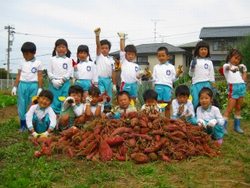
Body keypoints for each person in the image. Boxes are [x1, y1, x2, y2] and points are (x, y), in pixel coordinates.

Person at [11, 42, 43, 131]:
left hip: (33, 85)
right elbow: (18, 75)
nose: (25, 56)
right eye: (23, 54)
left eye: (27, 54)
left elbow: (40, 76)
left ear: (34, 53)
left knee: (33, 105)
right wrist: (15, 87)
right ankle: (22, 124)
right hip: (23, 85)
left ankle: (32, 124)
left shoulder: (38, 63)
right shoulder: (22, 62)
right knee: (22, 104)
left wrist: (40, 88)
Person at [152, 46, 183, 119]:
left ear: (168, 56)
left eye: (163, 55)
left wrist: (177, 75)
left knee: (167, 106)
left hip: (167, 88)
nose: (161, 58)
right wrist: (150, 77)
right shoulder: (156, 67)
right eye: (159, 56)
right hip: (158, 87)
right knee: (157, 106)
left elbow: (173, 79)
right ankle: (158, 120)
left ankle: (167, 121)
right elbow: (153, 79)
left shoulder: (171, 67)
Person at [222, 48, 247, 134]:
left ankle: (237, 126)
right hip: (233, 87)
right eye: (235, 58)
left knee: (238, 107)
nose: (237, 60)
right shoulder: (226, 66)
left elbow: (243, 80)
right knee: (230, 108)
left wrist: (245, 70)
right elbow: (227, 67)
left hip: (241, 87)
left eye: (239, 59)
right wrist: (232, 68)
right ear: (230, 57)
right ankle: (222, 126)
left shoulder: (238, 69)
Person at [189, 41, 219, 109]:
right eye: (201, 49)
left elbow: (211, 76)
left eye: (205, 49)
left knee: (206, 102)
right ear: (198, 50)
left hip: (206, 84)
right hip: (196, 84)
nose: (203, 51)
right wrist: (193, 66)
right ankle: (196, 117)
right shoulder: (194, 61)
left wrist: (214, 88)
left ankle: (206, 116)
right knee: (196, 101)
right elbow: (191, 74)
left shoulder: (209, 62)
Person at [48, 39, 73, 114]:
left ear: (66, 49)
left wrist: (62, 80)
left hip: (65, 83)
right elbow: (49, 71)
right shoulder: (51, 59)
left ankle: (62, 116)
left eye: (63, 47)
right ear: (55, 48)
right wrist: (53, 81)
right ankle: (53, 117)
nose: (61, 49)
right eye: (59, 47)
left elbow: (69, 72)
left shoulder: (68, 60)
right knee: (53, 100)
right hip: (53, 83)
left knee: (64, 100)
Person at [94, 28, 116, 109]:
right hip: (100, 80)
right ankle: (100, 110)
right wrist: (97, 35)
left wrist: (114, 84)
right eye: (102, 48)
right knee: (101, 96)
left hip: (108, 80)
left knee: (109, 96)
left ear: (109, 49)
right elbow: (98, 45)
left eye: (106, 48)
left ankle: (108, 111)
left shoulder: (111, 60)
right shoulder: (99, 57)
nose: (104, 50)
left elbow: (113, 72)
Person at [117, 32, 142, 103]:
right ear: (125, 55)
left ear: (135, 55)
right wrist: (122, 38)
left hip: (134, 85)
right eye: (128, 54)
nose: (130, 56)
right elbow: (122, 50)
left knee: (133, 102)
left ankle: (132, 113)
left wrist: (140, 75)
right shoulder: (123, 61)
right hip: (125, 85)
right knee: (123, 101)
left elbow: (138, 77)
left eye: (132, 54)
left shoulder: (136, 66)